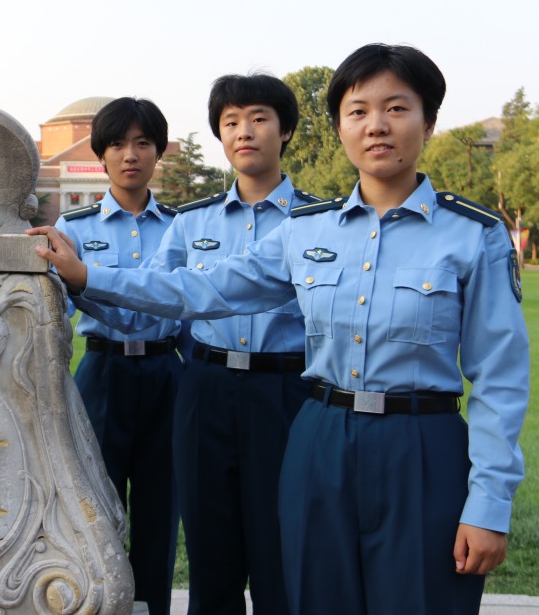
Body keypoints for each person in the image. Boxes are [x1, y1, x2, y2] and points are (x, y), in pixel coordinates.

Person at [30, 44, 528, 615]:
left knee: (415, 597)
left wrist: (489, 502)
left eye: (397, 108)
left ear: (429, 121)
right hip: (319, 435)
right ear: (339, 127)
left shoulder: (473, 235)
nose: (377, 126)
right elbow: (203, 289)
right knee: (312, 595)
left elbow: (499, 377)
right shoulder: (305, 234)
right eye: (358, 111)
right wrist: (87, 274)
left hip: (420, 441)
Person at [156, 74, 312, 614]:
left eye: (259, 118)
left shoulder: (321, 222)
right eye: (230, 122)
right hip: (207, 389)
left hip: (288, 392)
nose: (244, 131)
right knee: (210, 551)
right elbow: (158, 299)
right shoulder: (191, 222)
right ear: (221, 136)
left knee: (281, 551)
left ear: (286, 129)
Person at [53, 97, 185, 615]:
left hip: (165, 372)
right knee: (94, 502)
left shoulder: (182, 226)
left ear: (159, 153)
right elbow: (56, 308)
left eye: (143, 143)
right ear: (100, 155)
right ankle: (99, 602)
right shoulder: (74, 225)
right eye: (117, 145)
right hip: (102, 372)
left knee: (160, 504)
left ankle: (150, 602)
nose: (130, 154)